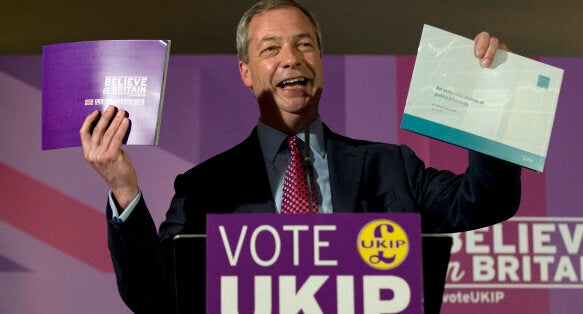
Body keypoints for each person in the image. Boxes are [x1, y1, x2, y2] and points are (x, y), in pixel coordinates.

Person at [80, 0, 521, 313]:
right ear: (246, 72)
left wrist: (490, 103)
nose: (292, 59)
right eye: (271, 49)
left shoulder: (392, 166)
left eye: (305, 45)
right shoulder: (205, 187)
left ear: (321, 61)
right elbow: (152, 297)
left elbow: (486, 200)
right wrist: (123, 188)